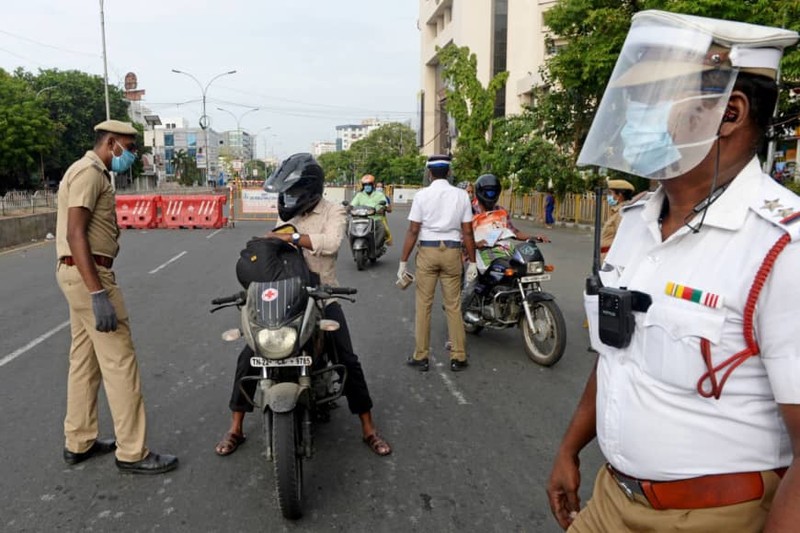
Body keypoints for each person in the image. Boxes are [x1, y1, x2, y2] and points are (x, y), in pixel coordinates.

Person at [547, 11, 800, 532]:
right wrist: (571, 447)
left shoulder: (782, 248)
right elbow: (619, 352)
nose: (633, 117)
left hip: (714, 518)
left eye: (655, 99)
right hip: (611, 497)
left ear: (728, 113)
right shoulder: (640, 219)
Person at [216, 154, 391, 457]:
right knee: (250, 354)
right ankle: (235, 428)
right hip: (287, 297)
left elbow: (333, 243)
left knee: (347, 359)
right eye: (286, 194)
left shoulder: (334, 211)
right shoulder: (287, 216)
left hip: (323, 296)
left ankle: (369, 429)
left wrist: (294, 238)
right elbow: (275, 246)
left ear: (310, 190)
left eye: (292, 193)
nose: (288, 199)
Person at [55, 120, 178, 475]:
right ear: (111, 143)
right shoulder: (90, 172)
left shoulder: (88, 171)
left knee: (85, 360)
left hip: (80, 271)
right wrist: (97, 292)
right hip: (89, 274)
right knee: (120, 361)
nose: (132, 154)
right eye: (129, 147)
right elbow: (75, 233)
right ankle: (133, 451)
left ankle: (79, 441)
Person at [398, 155, 477, 372]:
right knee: (453, 305)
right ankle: (459, 356)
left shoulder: (422, 195)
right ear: (449, 173)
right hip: (452, 251)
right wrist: (472, 262)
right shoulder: (461, 195)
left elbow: (413, 230)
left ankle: (421, 356)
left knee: (424, 305)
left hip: (428, 251)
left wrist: (403, 262)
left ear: (430, 173)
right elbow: (468, 232)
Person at [599, 178, 635, 263]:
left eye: (611, 193)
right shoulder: (616, 211)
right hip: (607, 256)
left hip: (612, 258)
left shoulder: (621, 213)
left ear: (619, 195)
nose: (608, 196)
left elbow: (622, 239)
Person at [351, 174, 392, 246]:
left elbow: (386, 207)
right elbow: (352, 205)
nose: (367, 186)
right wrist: (347, 208)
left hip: (375, 219)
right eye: (365, 185)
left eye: (369, 184)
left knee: (382, 229)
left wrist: (382, 209)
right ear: (363, 186)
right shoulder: (359, 195)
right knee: (348, 226)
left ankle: (376, 246)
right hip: (361, 219)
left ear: (373, 185)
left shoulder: (380, 195)